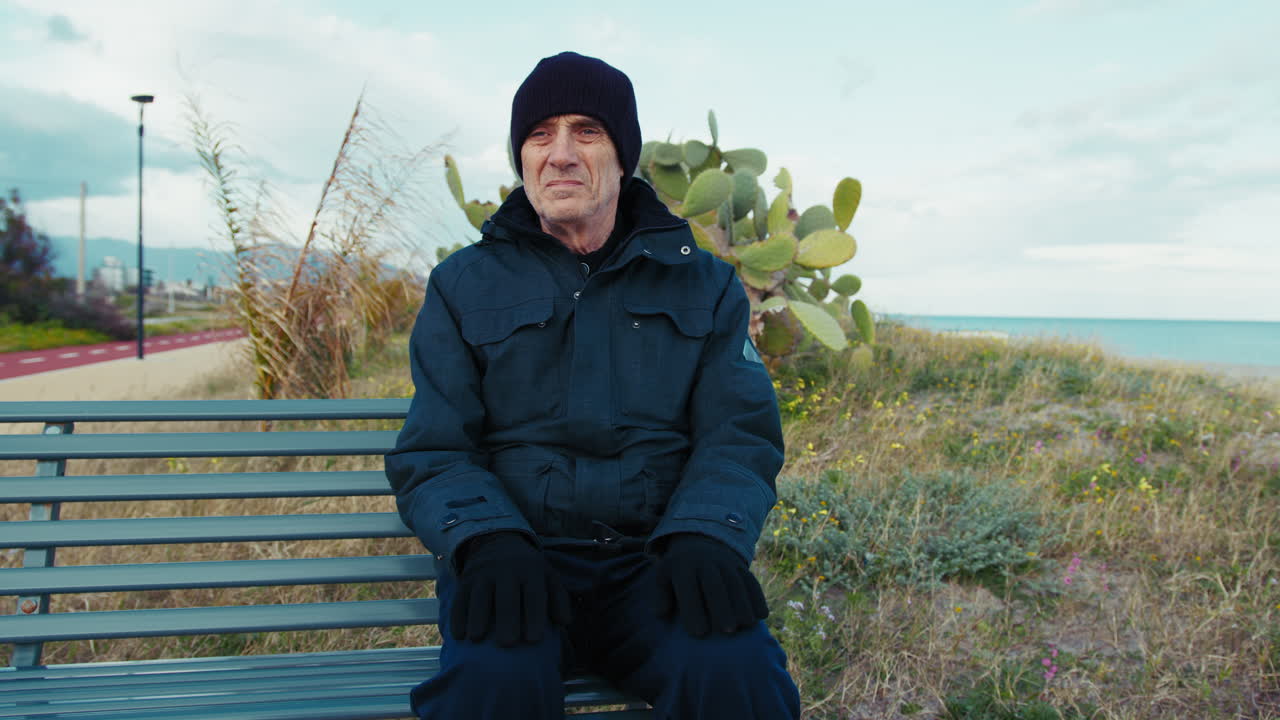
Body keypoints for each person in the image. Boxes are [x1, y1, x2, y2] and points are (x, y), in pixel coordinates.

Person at [385, 51, 801, 720]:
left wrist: (703, 536)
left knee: (737, 673)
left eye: (586, 130)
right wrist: (488, 541)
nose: (560, 154)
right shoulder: (463, 285)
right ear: (521, 157)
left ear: (623, 154)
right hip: (518, 569)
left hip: (652, 567)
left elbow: (739, 435)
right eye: (540, 134)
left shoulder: (706, 284)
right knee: (489, 688)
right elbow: (434, 449)